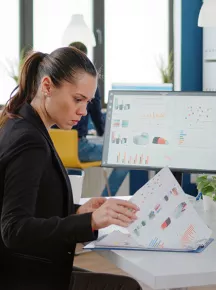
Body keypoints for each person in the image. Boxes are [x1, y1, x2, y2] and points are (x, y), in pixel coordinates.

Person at [0, 47, 141, 290]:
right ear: (47, 86)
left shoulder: (21, 123)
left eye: (88, 102)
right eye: (77, 99)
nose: (83, 111)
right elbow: (14, 229)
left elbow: (32, 205)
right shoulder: (30, 141)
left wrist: (77, 212)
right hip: (23, 275)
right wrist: (90, 222)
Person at [59, 41, 130, 197]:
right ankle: (103, 198)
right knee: (125, 156)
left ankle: (69, 199)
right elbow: (97, 117)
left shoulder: (59, 84)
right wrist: (102, 131)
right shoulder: (88, 85)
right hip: (78, 147)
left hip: (56, 148)